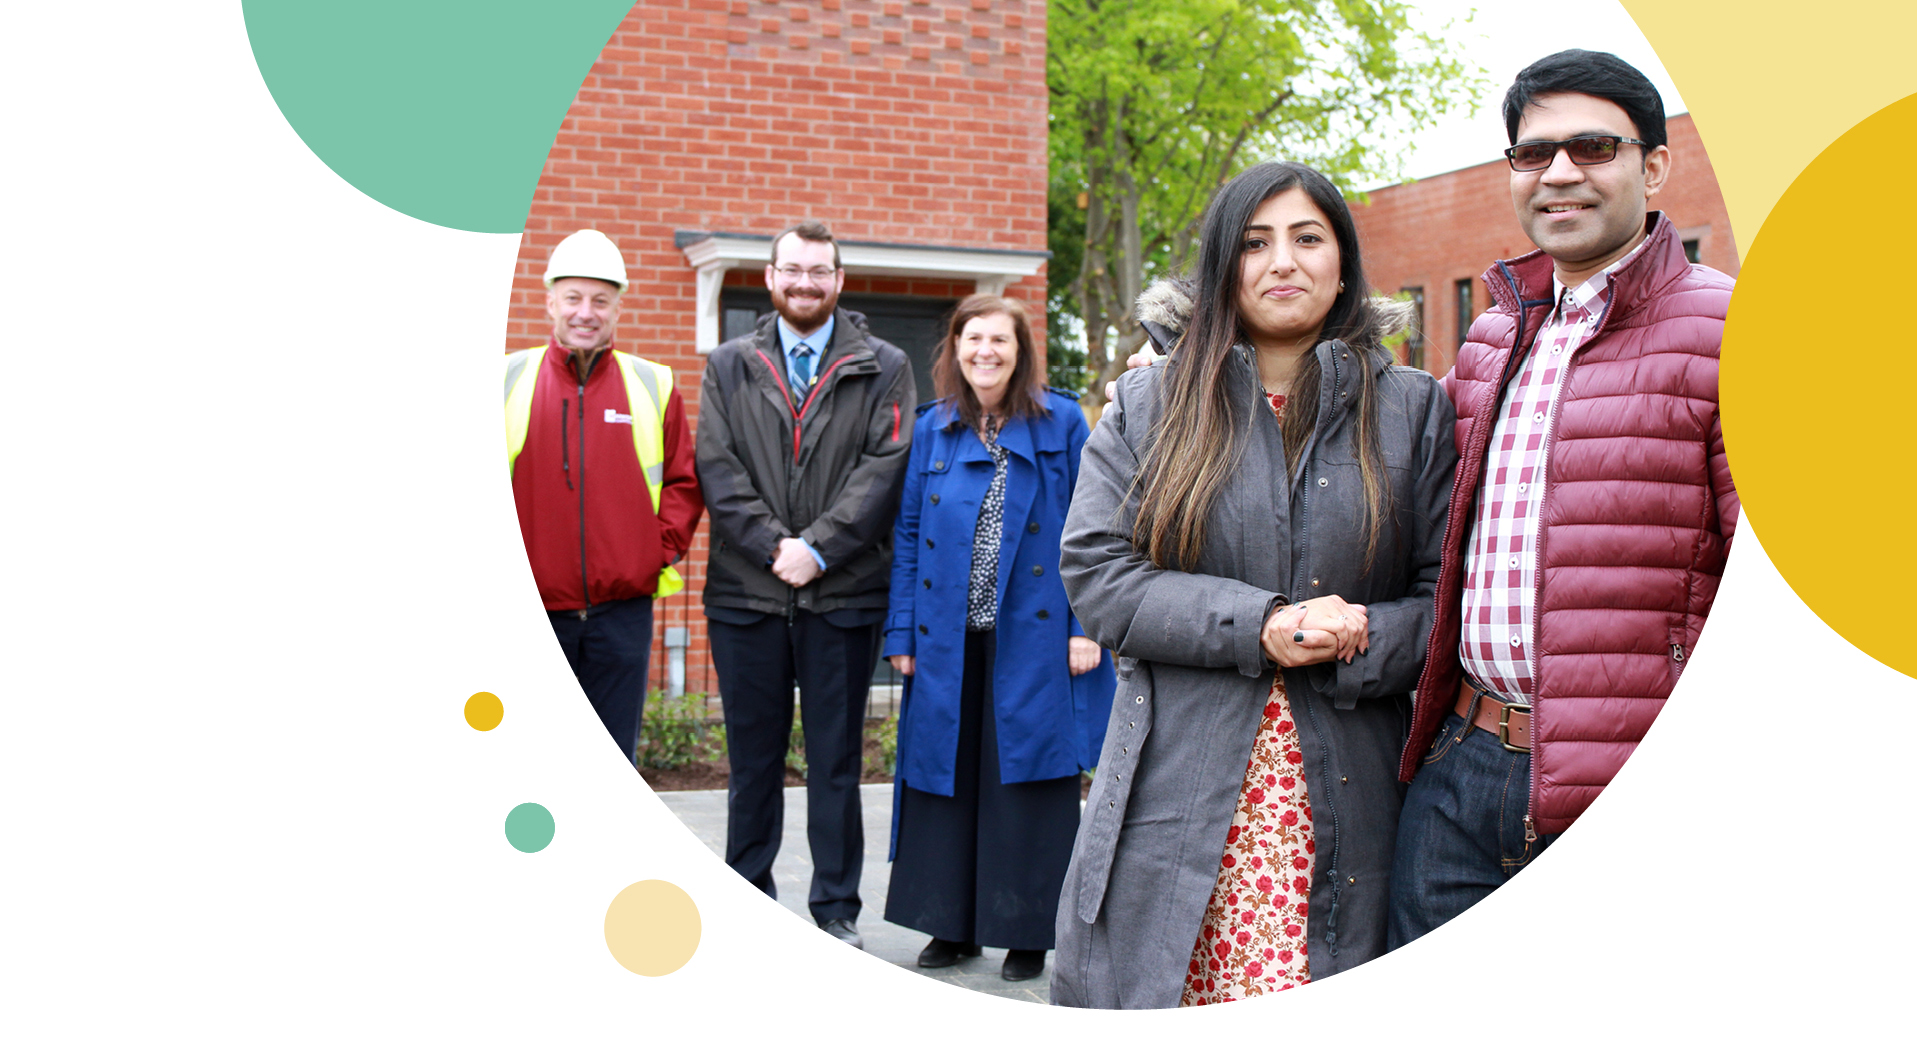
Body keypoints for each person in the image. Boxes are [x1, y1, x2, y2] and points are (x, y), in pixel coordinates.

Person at [1050, 161, 1458, 1009]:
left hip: (1350, 786)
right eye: (1254, 242)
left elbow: (1443, 595)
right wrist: (1258, 625)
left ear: (1341, 265)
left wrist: (1360, 636)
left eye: (1307, 239)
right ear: (1222, 266)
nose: (1282, 262)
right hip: (1176, 782)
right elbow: (1097, 569)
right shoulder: (1150, 402)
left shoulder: (1412, 408)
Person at [1387, 50, 1739, 946]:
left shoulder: (1730, 331)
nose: (1558, 173)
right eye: (1532, 153)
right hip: (1458, 773)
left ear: (1652, 167)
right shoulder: (1490, 336)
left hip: (1628, 781)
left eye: (1591, 147)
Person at [880, 295, 1116, 983]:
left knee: (1029, 780)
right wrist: (902, 629)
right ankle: (948, 925)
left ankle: (1026, 932)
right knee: (945, 775)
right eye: (973, 338)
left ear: (1020, 352)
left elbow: (1090, 525)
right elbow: (907, 535)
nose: (985, 351)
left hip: (1034, 634)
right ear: (955, 348)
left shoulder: (1061, 420)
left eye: (999, 340)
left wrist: (1084, 625)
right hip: (947, 635)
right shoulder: (934, 426)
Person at [697, 221, 917, 949]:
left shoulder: (884, 366)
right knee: (751, 763)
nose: (804, 283)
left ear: (838, 281)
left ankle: (836, 910)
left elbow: (883, 470)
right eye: (791, 269)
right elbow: (717, 467)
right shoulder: (729, 364)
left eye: (818, 271)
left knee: (836, 764)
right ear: (769, 277)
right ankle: (747, 897)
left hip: (842, 596)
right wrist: (774, 547)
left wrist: (818, 549)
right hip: (745, 595)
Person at [505, 229, 703, 764]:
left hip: (622, 615)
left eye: (600, 300)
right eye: (573, 297)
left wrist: (651, 555)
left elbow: (684, 483)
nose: (585, 312)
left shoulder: (653, 384)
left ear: (618, 308)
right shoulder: (505, 380)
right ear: (550, 302)